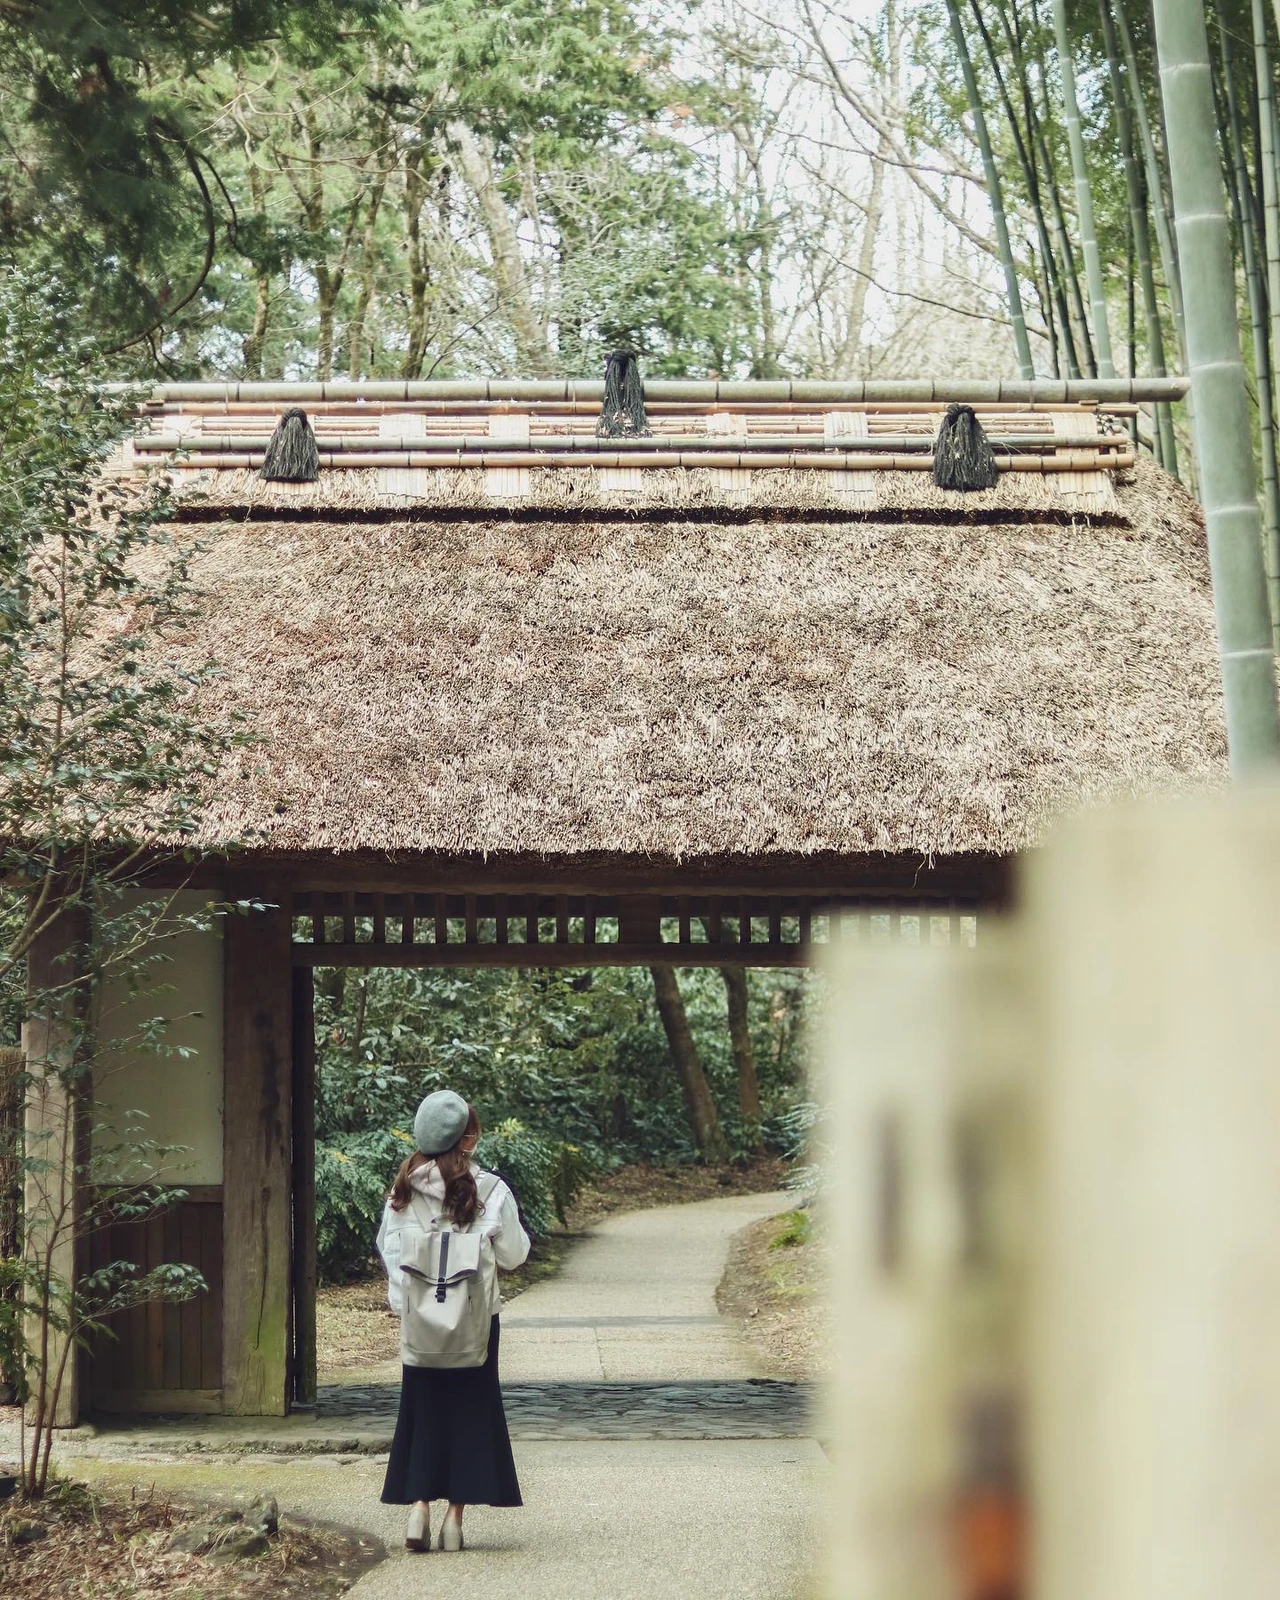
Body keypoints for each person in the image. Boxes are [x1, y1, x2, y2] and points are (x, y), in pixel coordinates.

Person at [377, 1089, 530, 1552]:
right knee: (470, 1411)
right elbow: (515, 1254)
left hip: (420, 1321)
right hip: (474, 1322)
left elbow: (389, 1252)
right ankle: (454, 1522)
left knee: (422, 1412)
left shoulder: (402, 1192)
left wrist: (407, 1302)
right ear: (468, 1139)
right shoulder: (491, 1189)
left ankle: (417, 1510)